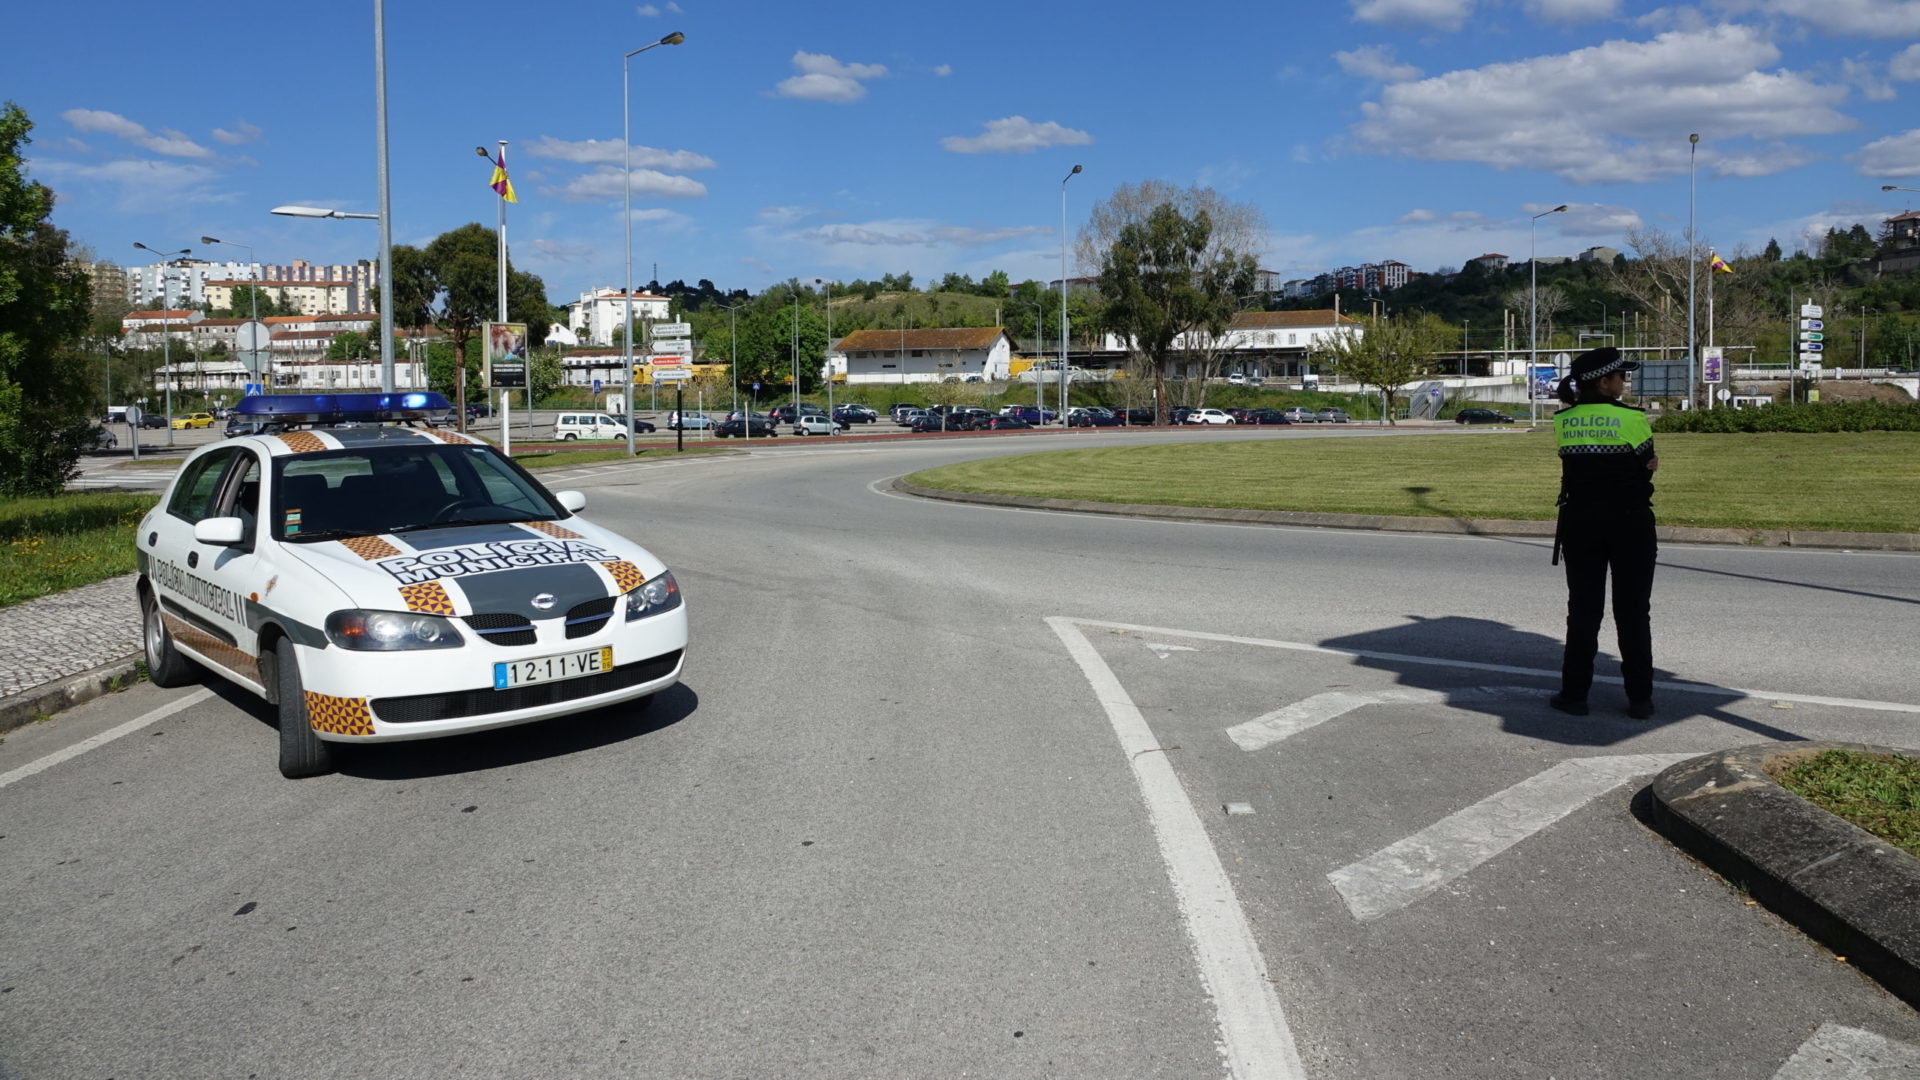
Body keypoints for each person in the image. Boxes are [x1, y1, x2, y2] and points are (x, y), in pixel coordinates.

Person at [1549, 346, 1659, 720]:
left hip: (1581, 523)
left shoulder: (1564, 421)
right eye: (1620, 376)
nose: (1624, 382)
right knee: (1633, 613)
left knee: (1583, 611)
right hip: (1630, 524)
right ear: (1604, 382)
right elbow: (1646, 466)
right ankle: (1640, 699)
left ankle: (1574, 695)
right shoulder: (1633, 419)